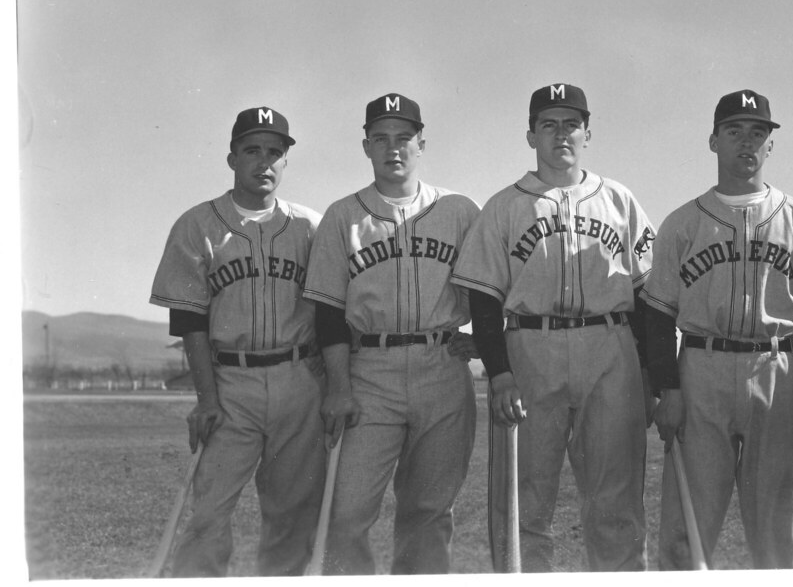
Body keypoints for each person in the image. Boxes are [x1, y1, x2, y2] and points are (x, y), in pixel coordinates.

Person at [642, 89, 793, 569]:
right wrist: (667, 389)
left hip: (779, 370)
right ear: (713, 142)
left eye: (757, 133)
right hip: (701, 369)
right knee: (686, 534)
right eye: (734, 131)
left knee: (781, 535)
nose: (747, 143)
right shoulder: (682, 223)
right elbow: (657, 316)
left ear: (771, 145)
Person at [451, 83, 656, 572]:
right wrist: (499, 373)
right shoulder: (505, 205)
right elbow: (484, 298)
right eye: (549, 124)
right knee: (523, 502)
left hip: (610, 347)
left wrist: (650, 375)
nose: (561, 133)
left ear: (588, 133)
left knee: (616, 502)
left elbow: (649, 295)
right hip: (529, 348)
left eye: (571, 124)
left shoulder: (620, 200)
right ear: (531, 135)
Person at [302, 93, 479, 575]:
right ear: (366, 146)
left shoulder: (460, 210)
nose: (393, 148)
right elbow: (328, 310)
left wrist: (484, 340)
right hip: (369, 370)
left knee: (428, 511)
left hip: (441, 365)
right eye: (381, 138)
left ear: (422, 143)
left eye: (403, 138)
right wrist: (338, 386)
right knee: (347, 511)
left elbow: (491, 289)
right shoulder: (343, 216)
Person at [149, 106, 325, 577]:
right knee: (208, 514)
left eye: (275, 152)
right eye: (252, 150)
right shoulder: (198, 224)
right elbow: (188, 319)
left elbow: (331, 314)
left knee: (291, 517)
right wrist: (205, 397)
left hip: (299, 379)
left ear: (285, 162)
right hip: (230, 384)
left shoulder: (311, 226)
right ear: (231, 159)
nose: (264, 162)